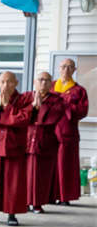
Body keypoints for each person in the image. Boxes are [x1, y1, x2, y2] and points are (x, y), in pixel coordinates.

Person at [0, 71, 32, 226]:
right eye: (2, 82)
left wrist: (7, 107)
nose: (5, 85)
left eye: (9, 81)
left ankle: (12, 214)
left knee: (13, 182)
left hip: (14, 146)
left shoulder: (24, 100)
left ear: (16, 83)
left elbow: (23, 119)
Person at [26, 71, 65, 213]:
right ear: (35, 82)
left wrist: (39, 107)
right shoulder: (26, 97)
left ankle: (37, 203)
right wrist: (32, 107)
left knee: (41, 174)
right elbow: (21, 116)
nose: (43, 83)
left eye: (47, 80)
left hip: (45, 140)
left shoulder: (57, 100)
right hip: (26, 139)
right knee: (24, 173)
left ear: (51, 84)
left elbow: (50, 119)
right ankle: (24, 202)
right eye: (41, 80)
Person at [53, 58, 89, 205]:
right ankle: (49, 195)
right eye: (63, 67)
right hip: (49, 131)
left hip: (68, 132)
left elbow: (83, 110)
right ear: (59, 68)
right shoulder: (51, 86)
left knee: (66, 164)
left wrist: (66, 105)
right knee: (50, 165)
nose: (66, 70)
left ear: (74, 70)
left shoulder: (79, 90)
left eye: (69, 67)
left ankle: (64, 196)